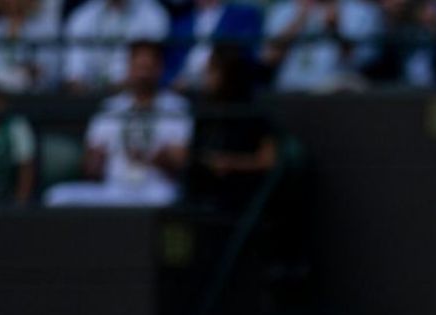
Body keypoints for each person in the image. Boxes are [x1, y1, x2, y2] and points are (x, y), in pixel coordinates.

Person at [45, 42, 192, 207]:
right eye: (138, 67)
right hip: (114, 188)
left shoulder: (176, 107)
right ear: (129, 67)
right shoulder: (111, 107)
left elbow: (183, 160)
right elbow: (90, 161)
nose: (143, 74)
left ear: (160, 68)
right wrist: (94, 160)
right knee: (58, 196)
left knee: (169, 201)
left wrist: (158, 158)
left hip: (155, 189)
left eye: (148, 67)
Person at [186, 45, 277, 211]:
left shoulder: (252, 114)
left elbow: (268, 160)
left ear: (229, 76)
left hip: (242, 200)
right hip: (204, 198)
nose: (207, 79)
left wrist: (231, 163)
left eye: (212, 72)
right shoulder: (205, 114)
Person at [262, 0, 383, 92]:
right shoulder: (283, 10)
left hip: (337, 96)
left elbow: (359, 63)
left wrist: (334, 29)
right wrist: (298, 20)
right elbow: (269, 58)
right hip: (289, 91)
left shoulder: (362, 12)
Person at [61, 0, 168, 91]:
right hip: (89, 95)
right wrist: (77, 83)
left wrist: (123, 84)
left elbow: (149, 66)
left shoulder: (153, 14)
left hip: (132, 94)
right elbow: (74, 70)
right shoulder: (82, 16)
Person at [164, 0, 263, 89]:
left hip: (228, 87)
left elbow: (247, 54)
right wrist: (173, 81)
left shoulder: (244, 15)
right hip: (184, 87)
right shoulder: (180, 23)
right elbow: (168, 63)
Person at [0, 0, 62, 93]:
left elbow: (51, 71)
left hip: (34, 95)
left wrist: (33, 72)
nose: (12, 2)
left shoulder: (46, 29)